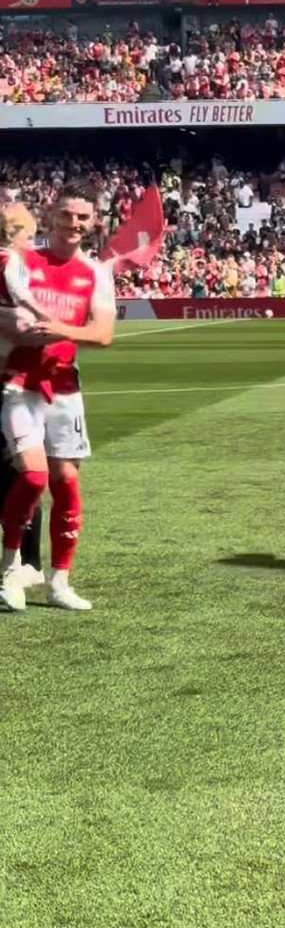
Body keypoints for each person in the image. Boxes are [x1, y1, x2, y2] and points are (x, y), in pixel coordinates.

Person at [0, 182, 116, 613]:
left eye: (83, 216)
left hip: (65, 388)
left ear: (93, 221)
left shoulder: (95, 273)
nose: (74, 223)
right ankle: (11, 570)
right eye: (67, 214)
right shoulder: (22, 260)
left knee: (66, 481)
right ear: (52, 215)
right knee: (32, 478)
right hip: (19, 383)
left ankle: (59, 583)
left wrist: (58, 330)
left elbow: (103, 334)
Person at [0, 202, 44, 588]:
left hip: (12, 379)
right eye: (27, 233)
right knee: (24, 471)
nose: (31, 240)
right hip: (14, 379)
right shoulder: (10, 261)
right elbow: (18, 295)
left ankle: (24, 561)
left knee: (21, 471)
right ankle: (27, 561)